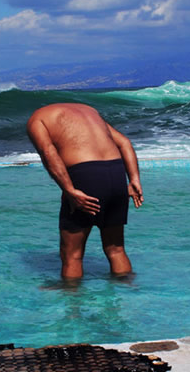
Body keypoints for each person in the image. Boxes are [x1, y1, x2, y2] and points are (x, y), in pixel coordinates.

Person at [27, 103, 143, 280]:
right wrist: (134, 179)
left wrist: (69, 189)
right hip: (116, 173)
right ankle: (126, 292)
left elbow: (48, 152)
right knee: (116, 248)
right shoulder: (90, 111)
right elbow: (124, 143)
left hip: (86, 175)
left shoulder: (37, 119)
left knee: (72, 255)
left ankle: (72, 299)